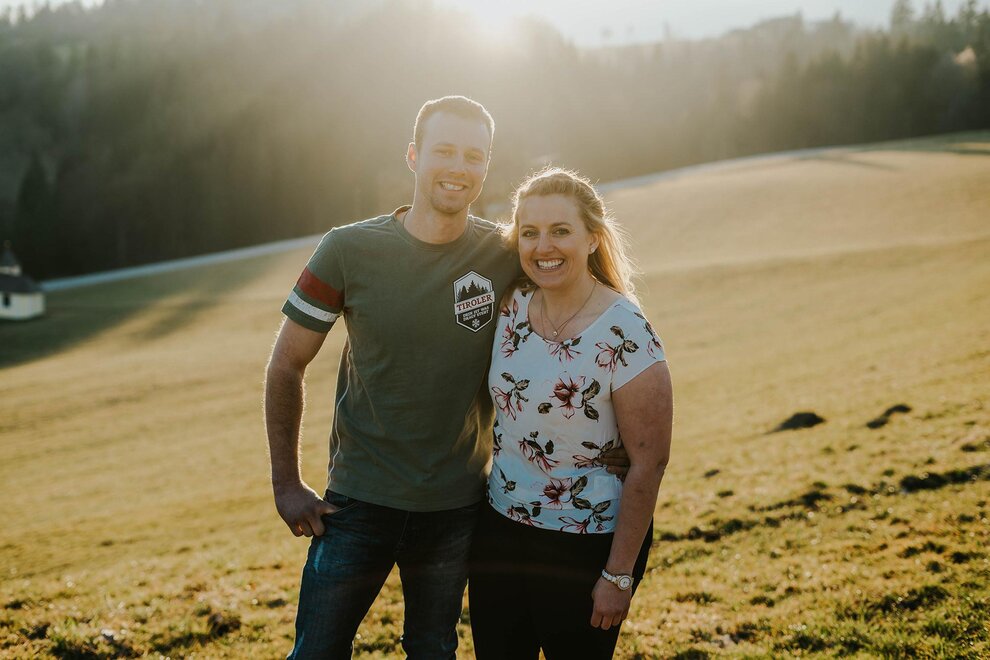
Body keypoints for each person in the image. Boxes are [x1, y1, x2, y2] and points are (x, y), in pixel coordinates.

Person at [264, 96, 521, 659]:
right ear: (413, 155)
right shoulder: (347, 249)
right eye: (444, 151)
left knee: (433, 651)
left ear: (486, 166)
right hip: (357, 503)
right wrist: (286, 483)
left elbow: (574, 303)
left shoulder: (504, 253)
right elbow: (286, 363)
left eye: (474, 156)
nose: (458, 167)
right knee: (317, 651)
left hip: (456, 506)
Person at [468, 167, 673, 659]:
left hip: (586, 539)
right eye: (530, 233)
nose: (544, 247)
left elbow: (649, 463)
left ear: (592, 237)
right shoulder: (509, 306)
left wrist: (618, 575)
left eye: (560, 231)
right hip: (500, 530)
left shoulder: (625, 331)